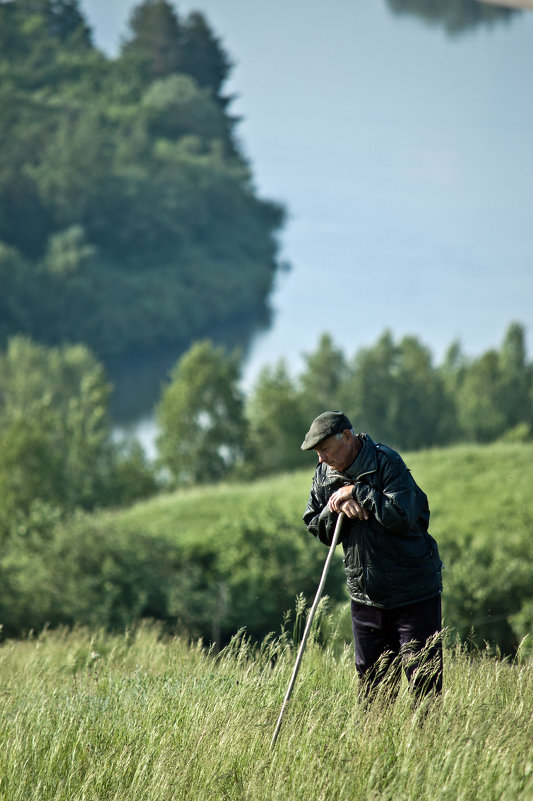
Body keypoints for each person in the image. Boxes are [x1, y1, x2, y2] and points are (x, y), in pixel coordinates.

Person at [302, 410, 443, 701]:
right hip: (365, 597)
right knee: (373, 689)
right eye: (317, 453)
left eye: (325, 450)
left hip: (413, 593)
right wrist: (336, 506)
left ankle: (429, 743)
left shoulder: (386, 462)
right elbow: (316, 526)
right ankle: (374, 743)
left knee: (424, 682)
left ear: (347, 437)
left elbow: (403, 515)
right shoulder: (323, 475)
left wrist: (358, 491)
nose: (321, 459)